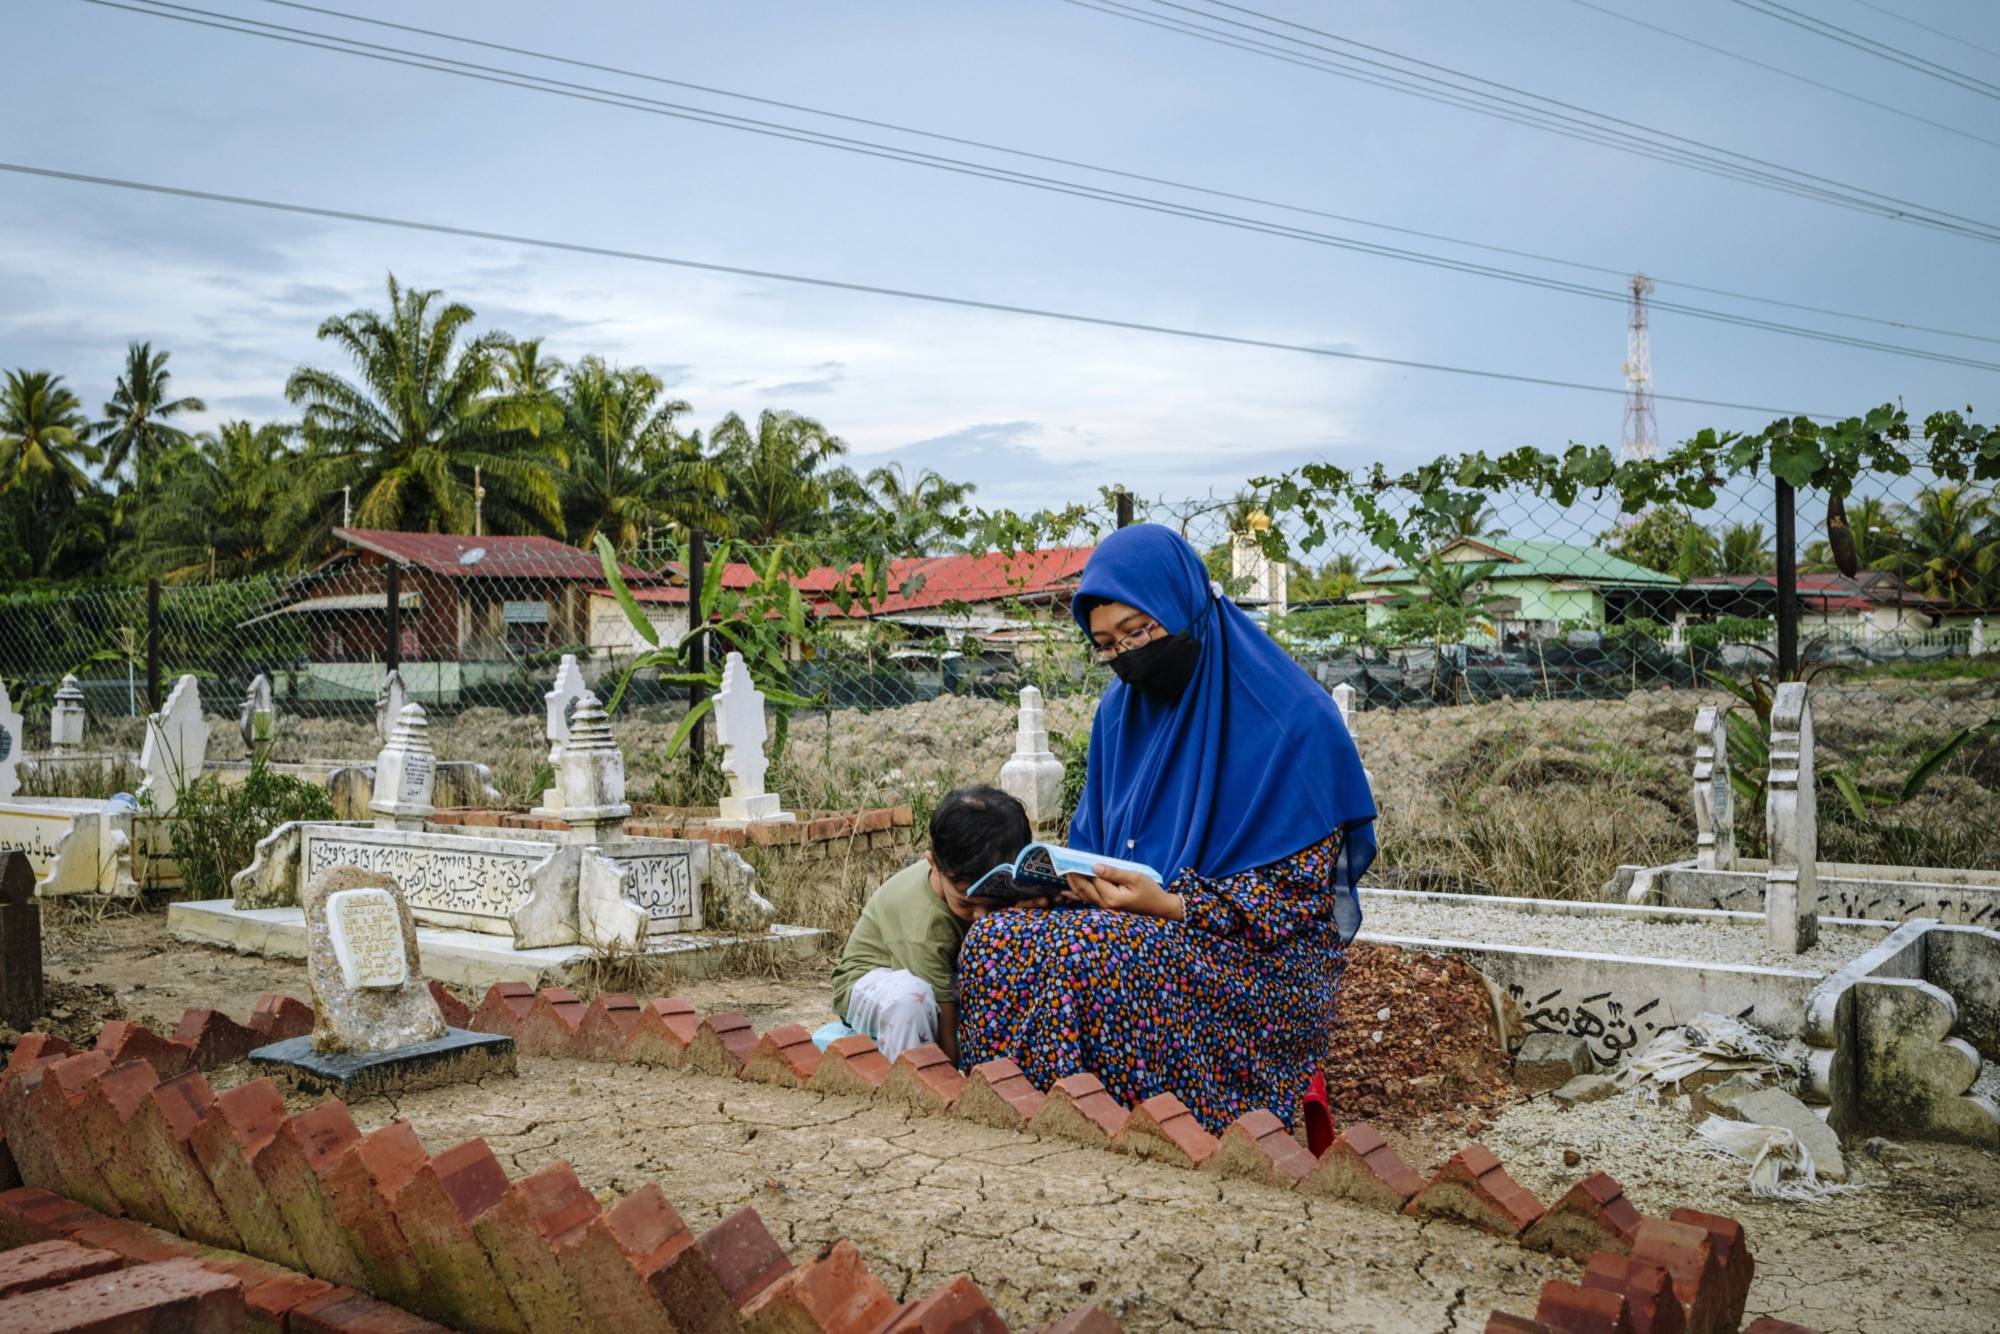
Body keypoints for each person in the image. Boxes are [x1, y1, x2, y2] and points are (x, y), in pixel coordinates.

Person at [957, 524, 1377, 1132]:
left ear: (1184, 606)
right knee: (998, 942)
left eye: (1138, 631)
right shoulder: (1119, 715)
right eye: (1105, 643)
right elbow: (1095, 844)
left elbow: (1297, 902)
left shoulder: (1293, 719)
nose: (1126, 655)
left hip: (1255, 960)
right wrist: (1071, 884)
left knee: (1090, 955)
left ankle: (1121, 1132)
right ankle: (1017, 1123)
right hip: (1129, 923)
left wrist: (1173, 905)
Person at [822, 785, 1032, 1062]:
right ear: (934, 863)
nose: (982, 916)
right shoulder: (926, 925)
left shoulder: (974, 874)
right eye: (967, 904)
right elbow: (945, 1021)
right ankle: (914, 1080)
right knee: (911, 1000)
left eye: (995, 904)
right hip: (875, 983)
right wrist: (954, 1075)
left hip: (946, 978)